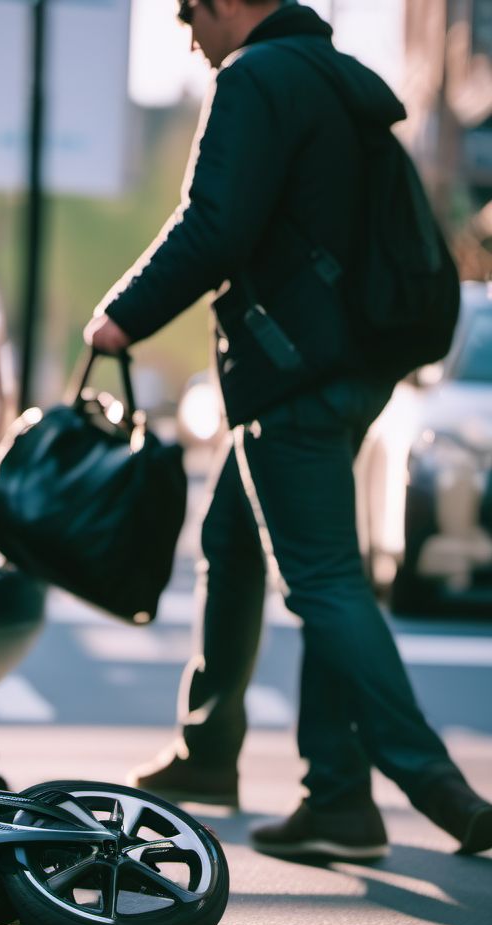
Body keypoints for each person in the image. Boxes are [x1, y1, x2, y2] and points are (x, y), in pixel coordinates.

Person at [85, 0, 492, 858]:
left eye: (190, 9)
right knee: (233, 541)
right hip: (350, 363)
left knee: (322, 581)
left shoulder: (255, 77)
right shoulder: (336, 78)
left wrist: (121, 317)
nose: (185, 30)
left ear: (233, 2)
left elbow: (216, 225)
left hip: (294, 374)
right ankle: (238, 764)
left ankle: (438, 791)